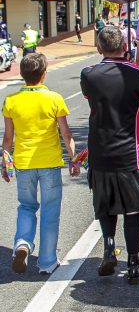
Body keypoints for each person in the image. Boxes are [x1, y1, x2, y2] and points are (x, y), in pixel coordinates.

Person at [80, 26, 139, 285]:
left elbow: (91, 100)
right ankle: (133, 263)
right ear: (125, 47)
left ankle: (109, 247)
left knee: (104, 205)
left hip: (100, 152)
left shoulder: (88, 74)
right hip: (132, 153)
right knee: (132, 211)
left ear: (99, 49)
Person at [2, 53, 79, 275]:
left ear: (22, 75)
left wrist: (5, 164)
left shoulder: (11, 101)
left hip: (24, 164)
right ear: (44, 74)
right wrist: (73, 159)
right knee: (50, 210)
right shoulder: (54, 99)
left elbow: (8, 138)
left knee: (26, 206)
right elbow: (66, 133)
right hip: (49, 163)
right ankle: (46, 261)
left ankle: (23, 243)